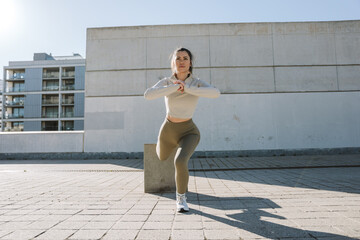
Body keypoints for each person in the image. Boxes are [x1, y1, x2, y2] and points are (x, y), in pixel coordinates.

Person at [144, 47, 220, 212]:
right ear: (173, 62)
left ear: (190, 62)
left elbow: (215, 93)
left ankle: (181, 199)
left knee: (180, 161)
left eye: (185, 58)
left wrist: (187, 88)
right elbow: (148, 94)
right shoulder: (167, 81)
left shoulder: (196, 82)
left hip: (189, 131)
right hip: (168, 129)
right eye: (178, 58)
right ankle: (163, 144)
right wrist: (174, 87)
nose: (181, 61)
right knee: (162, 156)